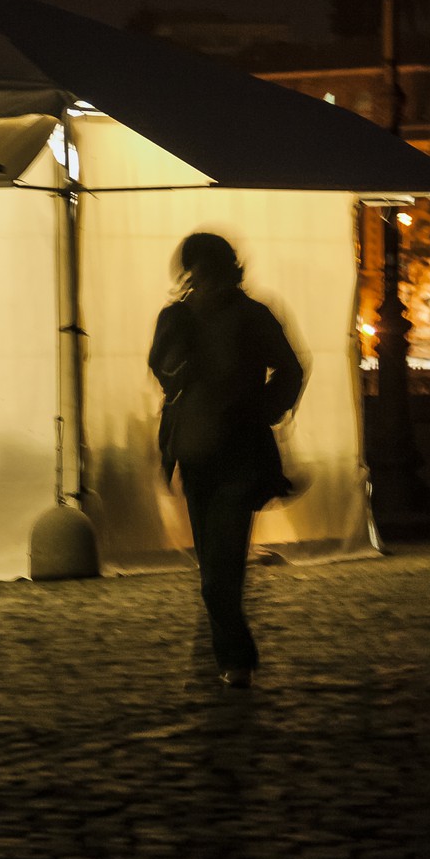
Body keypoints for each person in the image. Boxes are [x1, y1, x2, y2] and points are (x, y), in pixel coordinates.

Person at [148, 232, 304, 689]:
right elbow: (162, 370)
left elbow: (290, 369)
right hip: (201, 452)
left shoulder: (248, 316)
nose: (201, 280)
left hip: (234, 453)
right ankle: (235, 656)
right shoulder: (181, 318)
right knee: (216, 563)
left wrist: (260, 410)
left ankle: (236, 657)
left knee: (221, 564)